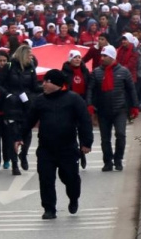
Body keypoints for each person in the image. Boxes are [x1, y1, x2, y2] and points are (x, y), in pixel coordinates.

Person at [23, 69, 93, 220]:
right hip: (46, 149)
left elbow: (84, 121)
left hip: (67, 148)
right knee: (46, 179)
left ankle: (73, 198)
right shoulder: (40, 100)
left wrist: (86, 142)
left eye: (47, 81)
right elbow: (28, 120)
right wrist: (18, 137)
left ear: (55, 83)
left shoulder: (73, 99)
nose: (44, 84)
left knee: (70, 177)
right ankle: (49, 208)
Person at [86, 45, 139, 172]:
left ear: (112, 57)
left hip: (120, 109)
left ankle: (118, 159)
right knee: (105, 138)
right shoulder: (96, 72)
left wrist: (134, 106)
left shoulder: (124, 72)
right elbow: (90, 90)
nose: (102, 58)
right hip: (103, 111)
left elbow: (131, 90)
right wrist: (89, 104)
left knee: (120, 134)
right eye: (102, 56)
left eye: (105, 56)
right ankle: (107, 161)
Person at [0, 44, 41, 174]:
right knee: (12, 134)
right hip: (12, 103)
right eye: (29, 54)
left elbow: (34, 86)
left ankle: (24, 154)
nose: (31, 57)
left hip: (27, 103)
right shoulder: (9, 66)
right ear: (23, 55)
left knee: (27, 132)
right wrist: (8, 95)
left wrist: (46, 86)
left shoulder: (31, 67)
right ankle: (14, 163)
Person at [61, 50, 90, 169]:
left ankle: (82, 152)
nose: (77, 59)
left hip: (82, 103)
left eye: (79, 57)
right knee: (71, 131)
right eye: (75, 57)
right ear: (70, 59)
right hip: (69, 104)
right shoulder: (64, 72)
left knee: (83, 129)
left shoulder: (85, 71)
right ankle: (74, 154)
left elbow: (89, 87)